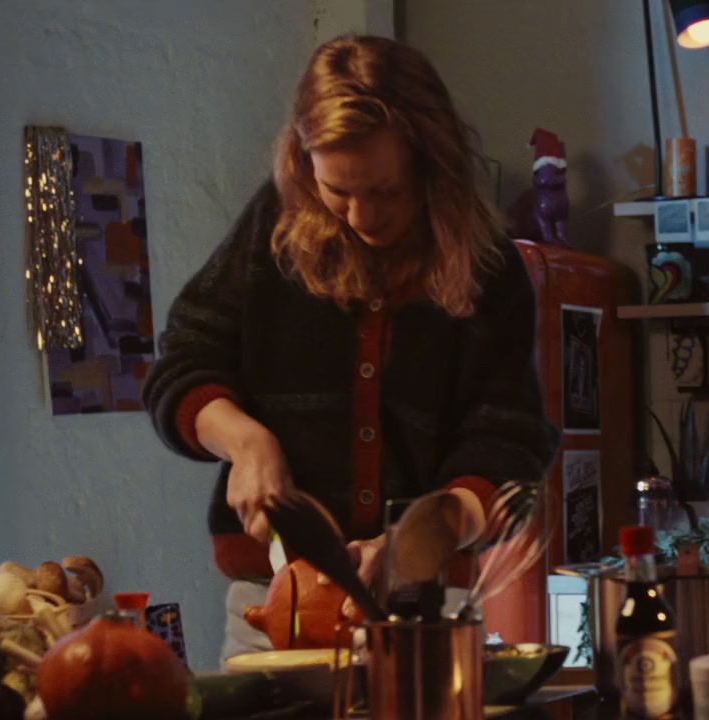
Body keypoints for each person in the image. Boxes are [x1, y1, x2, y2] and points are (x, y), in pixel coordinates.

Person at [142, 35, 558, 661]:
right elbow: (183, 357)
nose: (359, 215)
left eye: (384, 191)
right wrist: (244, 440)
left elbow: (506, 436)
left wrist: (425, 536)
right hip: (271, 602)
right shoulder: (275, 228)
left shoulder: (488, 267)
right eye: (337, 190)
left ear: (429, 162)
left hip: (419, 612)